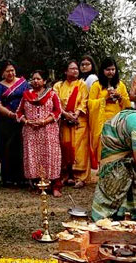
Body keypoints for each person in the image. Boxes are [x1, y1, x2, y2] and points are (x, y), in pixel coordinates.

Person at [16, 70, 63, 196]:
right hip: (31, 131)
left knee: (50, 156)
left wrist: (44, 121)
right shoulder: (26, 95)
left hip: (48, 131)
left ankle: (54, 186)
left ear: (45, 81)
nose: (35, 81)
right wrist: (26, 121)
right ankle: (38, 185)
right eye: (33, 79)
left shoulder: (52, 94)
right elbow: (19, 112)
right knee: (33, 157)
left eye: (38, 79)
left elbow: (58, 111)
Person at [88, 57, 131, 169]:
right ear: (103, 70)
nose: (110, 72)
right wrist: (104, 100)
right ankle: (102, 170)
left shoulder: (120, 85)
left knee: (115, 146)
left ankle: (114, 172)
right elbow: (90, 103)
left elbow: (127, 104)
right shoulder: (96, 85)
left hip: (116, 122)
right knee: (102, 148)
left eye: (113, 69)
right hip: (101, 122)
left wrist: (120, 97)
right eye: (108, 69)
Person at [54, 60, 90, 188]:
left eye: (76, 68)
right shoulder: (58, 86)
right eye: (72, 68)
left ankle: (80, 177)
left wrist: (76, 114)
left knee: (80, 149)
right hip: (64, 121)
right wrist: (65, 114)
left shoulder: (82, 84)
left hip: (79, 121)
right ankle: (66, 175)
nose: (75, 70)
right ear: (65, 71)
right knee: (65, 147)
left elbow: (84, 100)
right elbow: (56, 102)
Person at [0, 60, 29, 186]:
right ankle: (8, 178)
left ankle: (22, 178)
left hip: (22, 119)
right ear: (2, 73)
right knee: (7, 147)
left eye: (12, 70)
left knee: (21, 147)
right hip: (6, 121)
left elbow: (30, 98)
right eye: (8, 71)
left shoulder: (23, 83)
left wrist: (22, 115)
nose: (11, 73)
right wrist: (10, 114)